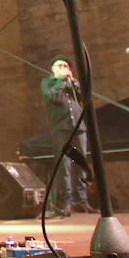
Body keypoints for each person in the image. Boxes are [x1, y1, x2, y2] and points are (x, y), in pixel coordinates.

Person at [39, 54, 92, 217]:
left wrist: (74, 82)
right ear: (53, 69)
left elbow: (84, 98)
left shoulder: (72, 84)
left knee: (80, 163)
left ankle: (81, 200)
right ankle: (67, 200)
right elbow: (51, 97)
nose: (64, 69)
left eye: (66, 66)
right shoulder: (47, 83)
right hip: (60, 128)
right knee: (64, 165)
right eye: (60, 66)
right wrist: (61, 81)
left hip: (78, 127)